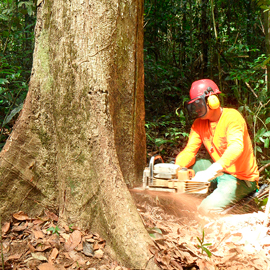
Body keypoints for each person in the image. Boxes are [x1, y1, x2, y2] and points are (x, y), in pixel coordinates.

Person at [175, 79, 259, 215]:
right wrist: (176, 168)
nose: (196, 109)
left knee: (205, 210)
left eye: (199, 104)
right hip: (220, 171)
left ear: (212, 100)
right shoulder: (198, 124)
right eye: (194, 106)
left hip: (240, 178)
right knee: (194, 167)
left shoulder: (232, 117)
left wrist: (211, 171)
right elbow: (189, 151)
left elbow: (236, 147)